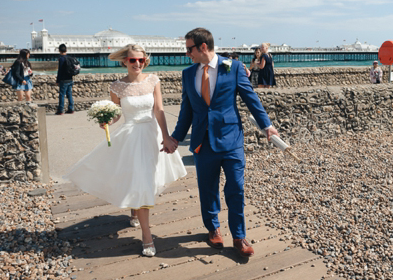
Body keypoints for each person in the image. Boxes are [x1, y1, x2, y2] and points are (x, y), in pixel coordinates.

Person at [64, 44, 187, 257]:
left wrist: (166, 136)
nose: (137, 63)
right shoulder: (117, 87)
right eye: (133, 60)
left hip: (151, 135)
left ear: (145, 61)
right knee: (139, 180)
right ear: (125, 62)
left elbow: (158, 109)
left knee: (146, 179)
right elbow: (117, 114)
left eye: (141, 60)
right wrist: (106, 121)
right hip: (130, 137)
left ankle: (135, 211)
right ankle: (147, 237)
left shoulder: (154, 81)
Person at [167, 28, 279, 258]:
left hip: (231, 140)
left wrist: (267, 126)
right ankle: (213, 228)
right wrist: (175, 138)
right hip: (202, 143)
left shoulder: (234, 67)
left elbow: (251, 99)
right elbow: (186, 111)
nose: (187, 53)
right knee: (207, 190)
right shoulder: (188, 74)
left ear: (203, 47)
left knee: (236, 188)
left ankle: (239, 236)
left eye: (189, 49)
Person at [56, 44, 75, 115]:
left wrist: (58, 80)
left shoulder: (61, 58)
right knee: (69, 94)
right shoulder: (70, 58)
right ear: (66, 50)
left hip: (63, 80)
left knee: (62, 95)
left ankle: (60, 110)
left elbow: (60, 70)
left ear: (59, 50)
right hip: (70, 78)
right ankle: (71, 109)